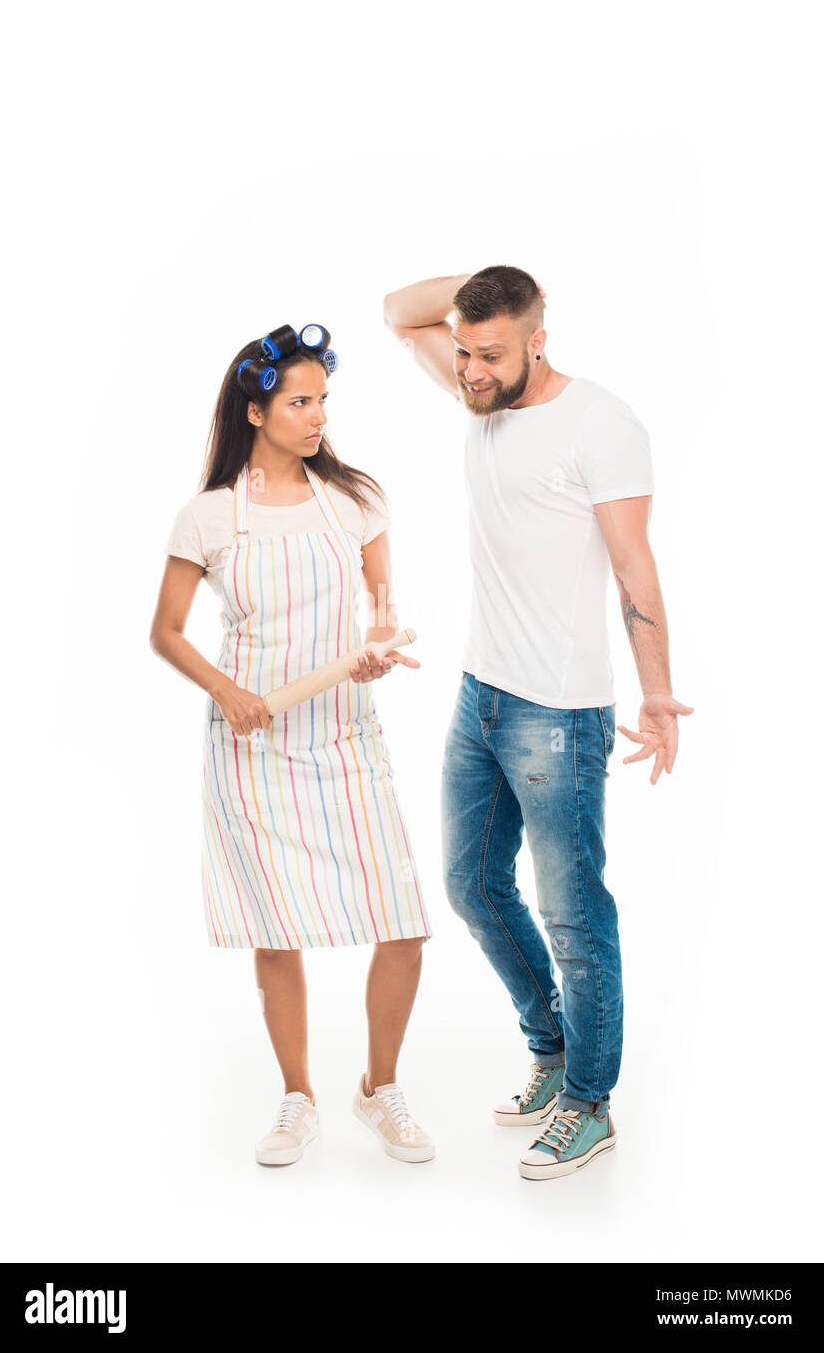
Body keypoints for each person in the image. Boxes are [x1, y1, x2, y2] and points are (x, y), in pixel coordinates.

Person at [384, 268, 693, 1180]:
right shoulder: (482, 395)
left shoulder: (599, 422)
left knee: (572, 912)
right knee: (471, 884)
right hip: (479, 693)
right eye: (465, 352)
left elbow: (634, 566)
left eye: (488, 354)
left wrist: (655, 691)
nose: (469, 371)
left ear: (537, 341)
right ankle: (551, 1051)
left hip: (558, 711)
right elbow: (398, 312)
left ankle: (589, 1103)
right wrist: (489, 273)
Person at [150, 322, 434, 1168]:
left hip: (343, 737)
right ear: (255, 410)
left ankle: (378, 1088)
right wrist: (227, 691)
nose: (317, 417)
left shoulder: (352, 498)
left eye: (322, 401)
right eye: (299, 402)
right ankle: (298, 1097)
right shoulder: (209, 514)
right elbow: (166, 632)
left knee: (402, 922)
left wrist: (377, 648)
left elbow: (381, 605)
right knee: (277, 930)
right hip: (253, 746)